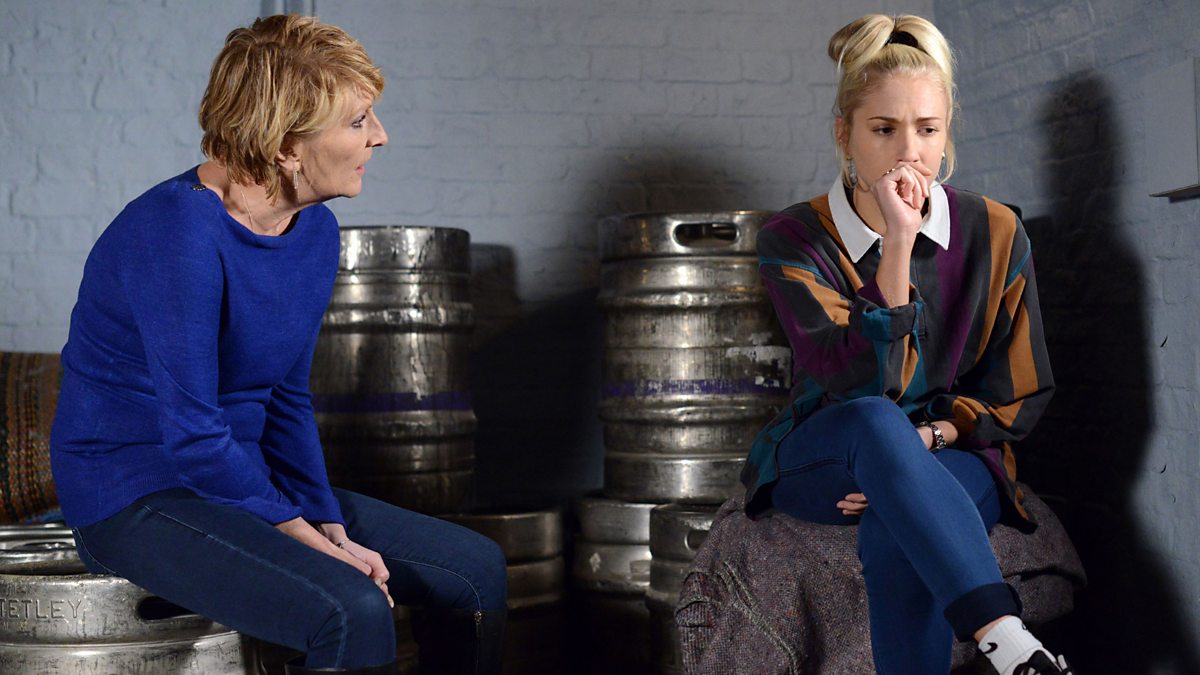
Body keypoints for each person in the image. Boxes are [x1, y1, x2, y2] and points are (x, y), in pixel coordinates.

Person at [49, 15, 506, 675]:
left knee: (475, 569)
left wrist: (325, 517)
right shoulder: (175, 233)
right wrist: (304, 538)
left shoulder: (314, 230)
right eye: (358, 121)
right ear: (287, 145)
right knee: (350, 608)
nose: (380, 135)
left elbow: (287, 397)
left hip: (242, 479)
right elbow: (192, 435)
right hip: (136, 494)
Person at [739, 14, 1071, 675]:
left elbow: (1020, 390)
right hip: (830, 449)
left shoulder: (998, 231)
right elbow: (855, 385)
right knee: (873, 419)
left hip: (952, 448)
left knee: (897, 524)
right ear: (845, 134)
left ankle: (1008, 649)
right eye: (884, 129)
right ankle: (1011, 642)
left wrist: (927, 442)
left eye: (928, 129)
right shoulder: (793, 238)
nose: (908, 152)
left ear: (947, 135)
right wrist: (897, 241)